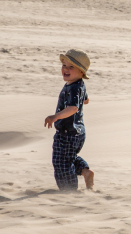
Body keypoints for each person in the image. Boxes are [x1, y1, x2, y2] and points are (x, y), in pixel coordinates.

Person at [44, 49, 95, 191]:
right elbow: (86, 100)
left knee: (61, 162)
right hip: (77, 132)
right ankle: (85, 171)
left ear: (81, 72)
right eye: (64, 65)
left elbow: (73, 108)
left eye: (71, 67)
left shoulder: (74, 88)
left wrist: (55, 116)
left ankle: (69, 192)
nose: (66, 69)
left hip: (68, 133)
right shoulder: (78, 85)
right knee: (68, 157)